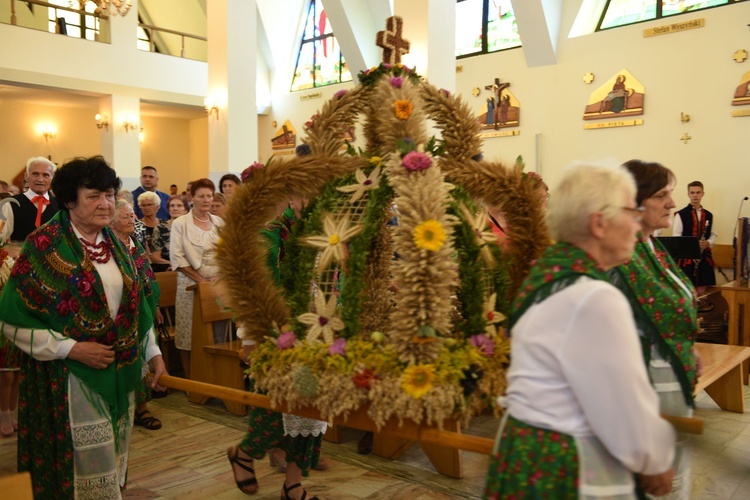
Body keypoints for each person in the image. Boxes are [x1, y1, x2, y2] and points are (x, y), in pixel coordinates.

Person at [484, 163, 676, 498]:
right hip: (565, 460)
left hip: (522, 448)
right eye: (631, 212)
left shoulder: (549, 273)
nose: (636, 224)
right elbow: (622, 402)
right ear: (600, 223)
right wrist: (653, 459)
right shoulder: (594, 296)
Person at [0, 155, 166, 498]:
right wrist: (72, 348)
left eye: (109, 194)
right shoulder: (43, 245)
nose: (105, 204)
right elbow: (14, 318)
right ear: (70, 200)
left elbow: (137, 305)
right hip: (67, 379)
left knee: (112, 456)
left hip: (119, 374)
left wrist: (152, 352)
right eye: (93, 196)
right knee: (83, 464)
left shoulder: (116, 244)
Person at [609, 159, 701, 499]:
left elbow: (665, 311)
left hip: (670, 388)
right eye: (662, 195)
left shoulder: (651, 245)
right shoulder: (618, 254)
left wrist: (686, 348)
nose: (672, 203)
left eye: (671, 194)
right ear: (632, 201)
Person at [228, 186, 325, 500]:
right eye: (308, 195)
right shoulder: (269, 236)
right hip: (273, 336)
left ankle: (293, 485)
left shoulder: (324, 231)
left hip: (317, 335)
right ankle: (244, 453)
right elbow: (250, 291)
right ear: (293, 197)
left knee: (311, 413)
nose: (312, 202)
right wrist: (250, 339)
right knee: (272, 411)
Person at [110, 200, 163, 431]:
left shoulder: (136, 245)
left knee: (144, 357)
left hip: (144, 309)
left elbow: (149, 277)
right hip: (120, 315)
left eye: (133, 216)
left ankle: (142, 409)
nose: (132, 220)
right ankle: (121, 409)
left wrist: (156, 307)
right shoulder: (109, 247)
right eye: (126, 217)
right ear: (112, 222)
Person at [169, 179, 224, 379]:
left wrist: (221, 276)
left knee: (218, 331)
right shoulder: (180, 223)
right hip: (190, 284)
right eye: (201, 196)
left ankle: (215, 375)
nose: (206, 200)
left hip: (217, 285)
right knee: (187, 333)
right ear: (191, 198)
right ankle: (191, 378)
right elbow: (177, 257)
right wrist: (200, 279)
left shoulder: (219, 223)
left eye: (210, 195)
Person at [0, 157, 58, 248]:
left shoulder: (60, 205)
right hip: (20, 259)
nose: (40, 179)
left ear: (52, 178)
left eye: (46, 175)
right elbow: (1, 239)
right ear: (26, 176)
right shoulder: (11, 203)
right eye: (35, 174)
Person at [673, 181, 717, 290]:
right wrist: (692, 245)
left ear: (703, 194)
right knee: (686, 288)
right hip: (686, 258)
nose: (695, 195)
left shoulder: (709, 215)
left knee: (703, 287)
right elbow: (676, 236)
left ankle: (701, 305)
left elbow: (714, 234)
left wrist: (708, 242)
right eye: (692, 193)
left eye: (698, 192)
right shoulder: (680, 214)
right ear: (688, 194)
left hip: (704, 256)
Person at [150, 195, 189, 273]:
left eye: (179, 206)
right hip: (168, 268)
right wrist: (175, 265)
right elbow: (155, 257)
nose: (175, 208)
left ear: (186, 210)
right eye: (172, 206)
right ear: (168, 209)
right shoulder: (160, 228)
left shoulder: (191, 228)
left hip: (190, 267)